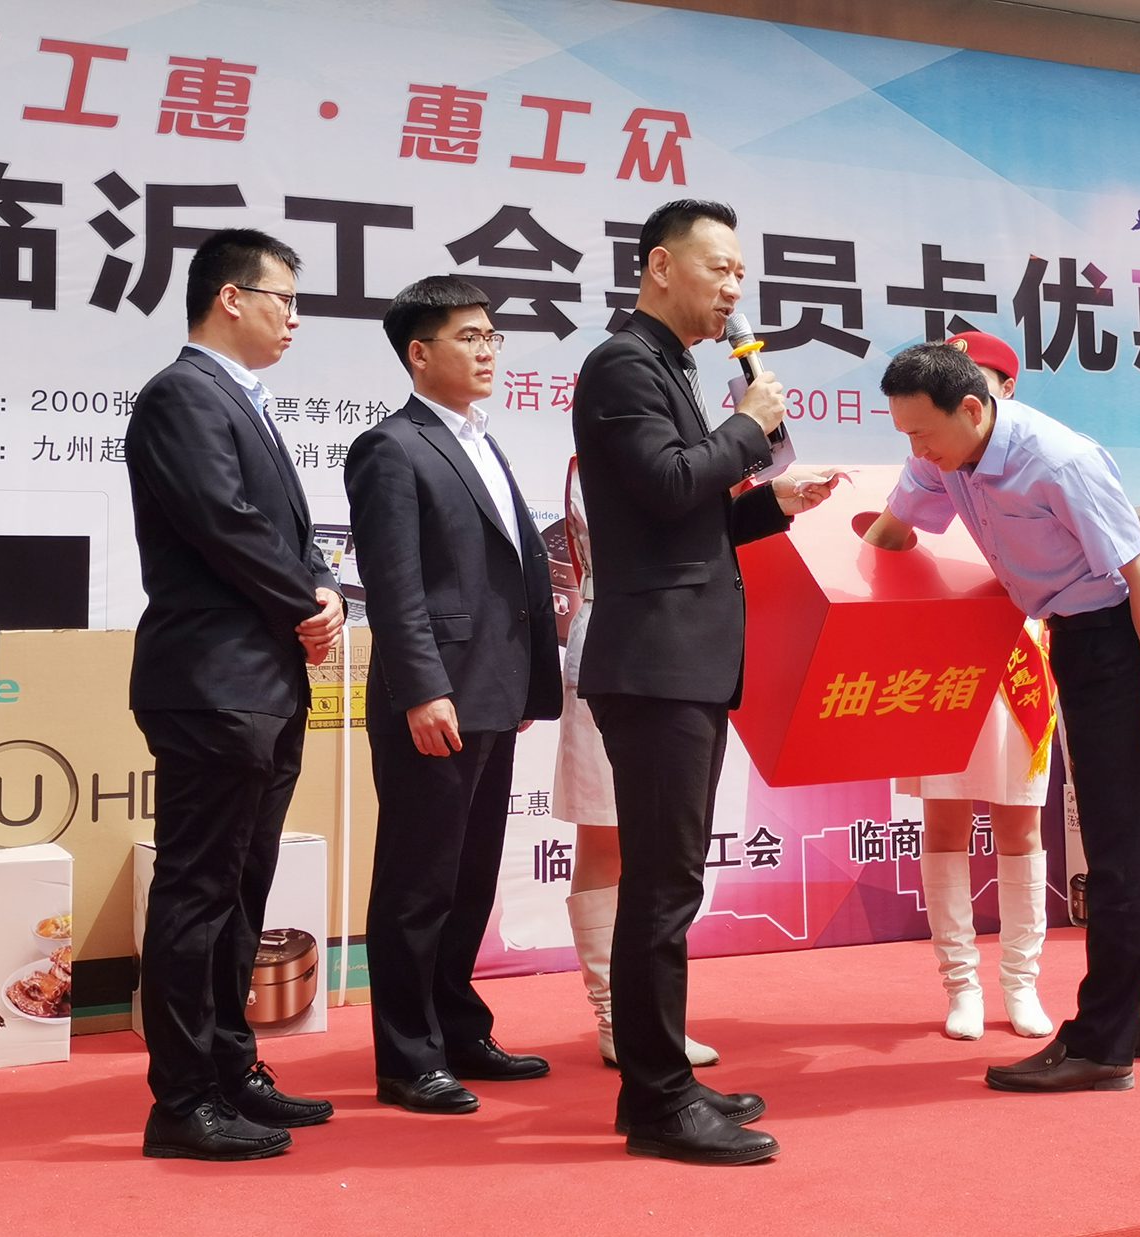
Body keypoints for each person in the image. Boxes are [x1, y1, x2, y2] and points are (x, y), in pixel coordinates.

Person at [864, 343, 1140, 1094]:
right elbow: (893, 533)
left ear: (973, 409)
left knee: (1116, 851)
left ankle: (1102, 1044)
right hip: (1068, 638)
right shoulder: (943, 454)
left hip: (1116, 645)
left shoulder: (1059, 462)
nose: (916, 451)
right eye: (905, 434)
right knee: (1136, 830)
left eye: (922, 433)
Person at [572, 197, 833, 1165]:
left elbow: (682, 516)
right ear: (658, 267)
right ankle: (656, 1100)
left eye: (739, 273)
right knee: (661, 885)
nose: (733, 288)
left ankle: (666, 1081)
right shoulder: (622, 365)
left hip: (681, 660)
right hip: (655, 661)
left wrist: (771, 502)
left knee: (669, 879)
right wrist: (749, 428)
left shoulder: (667, 368)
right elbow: (668, 483)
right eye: (718, 268)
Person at [126, 228, 344, 1161]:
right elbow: (225, 522)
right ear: (230, 298)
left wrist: (322, 589)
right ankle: (182, 1100)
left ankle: (228, 1065)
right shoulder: (183, 394)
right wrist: (306, 602)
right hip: (213, 682)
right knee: (199, 888)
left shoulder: (242, 400)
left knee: (242, 888)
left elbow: (286, 533)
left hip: (262, 683)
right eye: (284, 299)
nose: (294, 318)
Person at [344, 276, 563, 1116]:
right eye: (469, 337)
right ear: (419, 353)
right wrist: (423, 688)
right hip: (433, 698)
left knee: (469, 876)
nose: (487, 351)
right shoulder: (391, 448)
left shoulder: (481, 441)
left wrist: (522, 680)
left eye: (492, 337)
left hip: (492, 692)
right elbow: (393, 586)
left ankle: (458, 1027)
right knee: (418, 879)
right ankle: (407, 1056)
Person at [882, 332, 1055, 1043]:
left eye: (973, 381)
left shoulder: (1038, 461)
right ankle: (961, 984)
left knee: (1020, 824)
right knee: (945, 820)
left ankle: (1022, 981)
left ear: (998, 393)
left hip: (1016, 656)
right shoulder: (929, 465)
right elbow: (887, 540)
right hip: (944, 657)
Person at [554, 456, 720, 1070]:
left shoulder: (691, 464)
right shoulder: (609, 461)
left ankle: (648, 1020)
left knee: (664, 845)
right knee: (605, 834)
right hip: (614, 643)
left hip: (678, 651)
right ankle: (613, 1017)